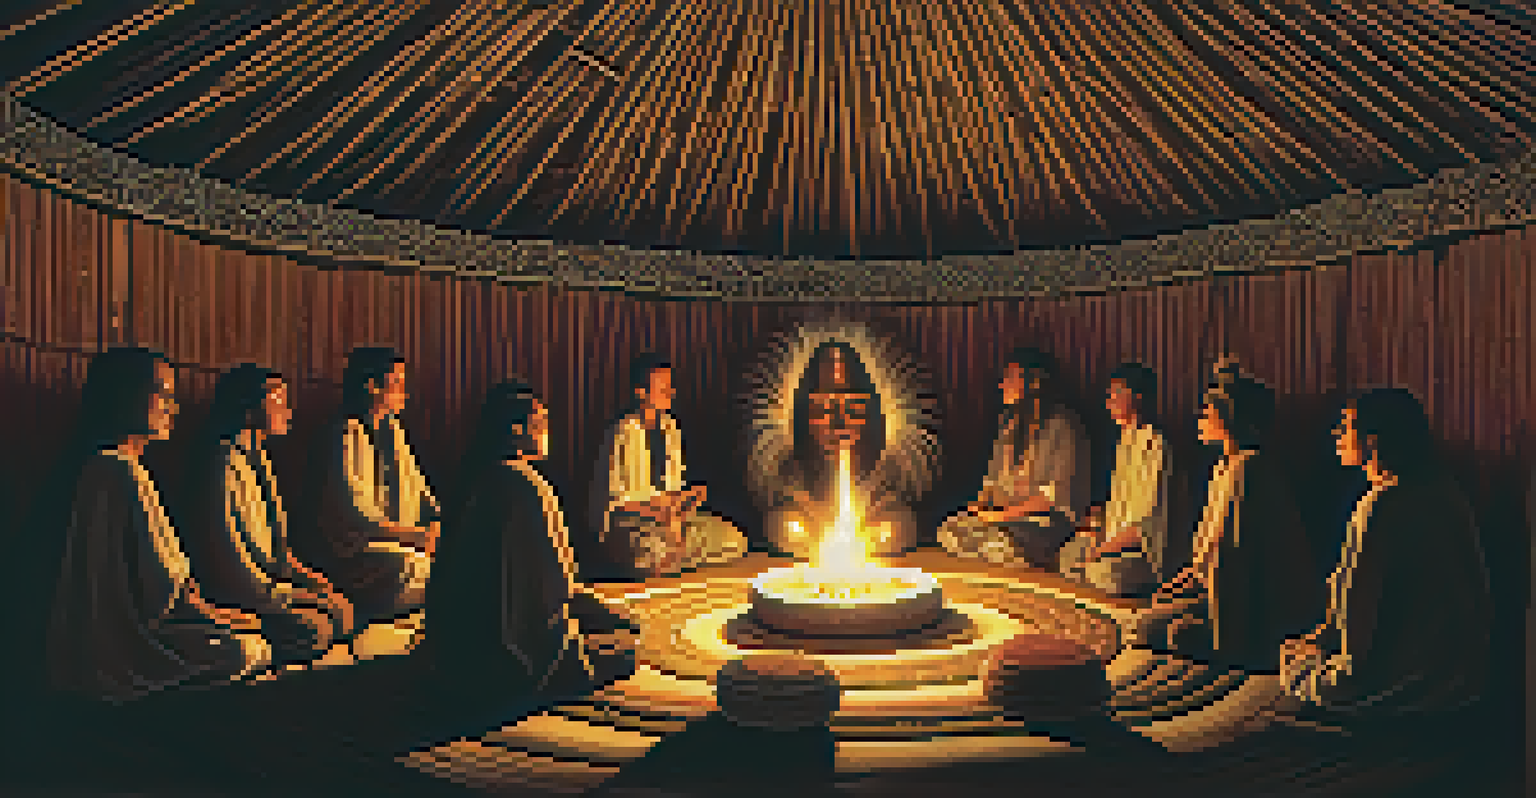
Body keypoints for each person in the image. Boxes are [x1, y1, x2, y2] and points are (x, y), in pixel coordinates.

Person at [46, 347, 274, 702]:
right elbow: (164, 584)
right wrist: (222, 617)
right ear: (124, 396)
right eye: (163, 394)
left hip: (131, 628)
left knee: (255, 643)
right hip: (129, 639)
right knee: (247, 649)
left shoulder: (113, 467)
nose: (173, 407)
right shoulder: (118, 470)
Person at [1278, 388, 1492, 726]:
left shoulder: (1382, 506)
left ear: (1373, 441)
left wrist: (1317, 661)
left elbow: (1357, 621)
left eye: (1346, 427)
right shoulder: (1447, 493)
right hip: (1462, 677)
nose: (1337, 434)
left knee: (1295, 671)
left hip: (1411, 685)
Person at [431, 379, 636, 698]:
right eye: (540, 424)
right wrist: (615, 617)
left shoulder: (479, 476)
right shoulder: (527, 487)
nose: (547, 432)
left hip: (457, 650)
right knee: (625, 649)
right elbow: (557, 590)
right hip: (514, 654)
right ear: (516, 430)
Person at [1126, 365, 1318, 670]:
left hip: (1246, 606)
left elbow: (1233, 560)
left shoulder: (1248, 470)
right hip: (1213, 588)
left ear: (1229, 417)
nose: (1200, 418)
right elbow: (1210, 548)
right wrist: (1186, 579)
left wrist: (1212, 615)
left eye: (1208, 411)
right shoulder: (1224, 468)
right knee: (1146, 621)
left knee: (1155, 630)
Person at [178, 364, 356, 670]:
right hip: (239, 590)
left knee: (341, 613)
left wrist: (312, 582)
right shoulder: (222, 464)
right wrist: (291, 597)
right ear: (249, 408)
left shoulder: (259, 457)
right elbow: (230, 565)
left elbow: (279, 553)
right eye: (280, 401)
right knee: (318, 628)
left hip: (269, 586)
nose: (289, 411)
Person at [306, 347, 439, 626]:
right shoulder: (344, 435)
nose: (404, 393)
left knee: (438, 560)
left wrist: (436, 524)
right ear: (372, 387)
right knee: (408, 566)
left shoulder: (394, 431)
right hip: (357, 554)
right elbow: (355, 516)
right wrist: (416, 537)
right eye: (397, 385)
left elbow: (421, 491)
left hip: (404, 542)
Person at [592, 353, 747, 578]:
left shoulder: (670, 428)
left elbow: (672, 490)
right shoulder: (622, 433)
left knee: (733, 538)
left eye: (670, 387)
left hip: (671, 521)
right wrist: (661, 512)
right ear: (641, 392)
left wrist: (689, 499)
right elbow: (617, 506)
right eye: (662, 387)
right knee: (651, 549)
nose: (670, 393)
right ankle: (668, 558)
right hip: (635, 525)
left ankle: (672, 558)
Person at [938, 347, 1090, 568]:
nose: (1003, 385)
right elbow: (992, 478)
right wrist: (981, 506)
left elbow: (1054, 498)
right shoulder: (1010, 424)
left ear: (1034, 382)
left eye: (1011, 378)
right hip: (1002, 517)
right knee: (949, 531)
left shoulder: (1063, 426)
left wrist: (1002, 517)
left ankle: (1024, 554)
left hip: (1039, 522)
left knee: (1001, 544)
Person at [1059, 362, 1171, 597]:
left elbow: (1145, 523)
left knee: (1106, 573)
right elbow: (1115, 507)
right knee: (1069, 556)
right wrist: (1095, 531)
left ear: (1138, 398)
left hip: (1140, 551)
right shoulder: (1123, 441)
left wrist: (1102, 549)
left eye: (1118, 394)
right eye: (1109, 395)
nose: (1110, 402)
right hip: (1113, 542)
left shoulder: (1155, 445)